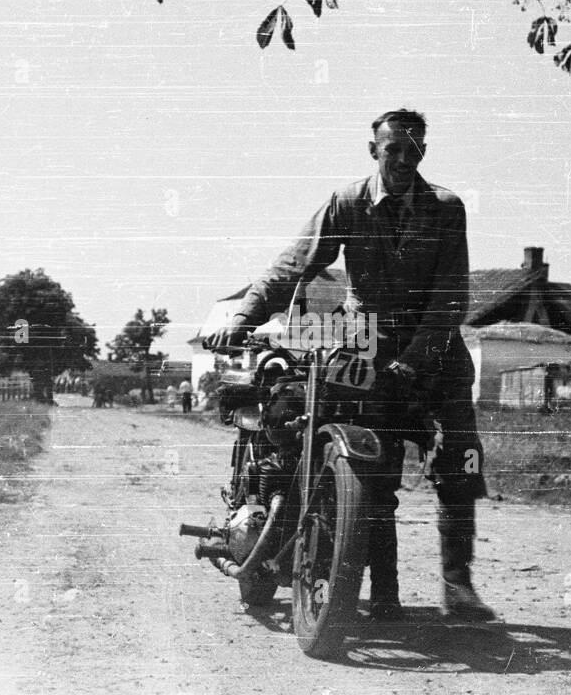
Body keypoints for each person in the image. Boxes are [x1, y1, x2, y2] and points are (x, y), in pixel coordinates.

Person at [205, 109, 495, 623]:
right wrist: (246, 313)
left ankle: (459, 584)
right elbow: (296, 263)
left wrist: (413, 362)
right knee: (371, 464)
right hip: (368, 346)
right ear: (374, 150)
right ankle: (382, 591)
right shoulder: (347, 203)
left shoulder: (446, 209)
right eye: (393, 149)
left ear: (423, 151)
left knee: (460, 464)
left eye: (413, 149)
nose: (403, 159)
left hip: (435, 352)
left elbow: (450, 300)